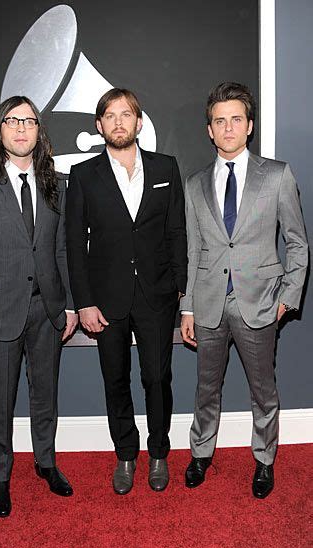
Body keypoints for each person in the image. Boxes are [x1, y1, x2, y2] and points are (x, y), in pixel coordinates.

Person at [0, 96, 78, 517]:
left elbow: (62, 250)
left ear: (40, 132)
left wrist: (71, 306)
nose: (22, 128)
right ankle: (0, 477)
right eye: (13, 120)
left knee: (46, 397)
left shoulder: (57, 183)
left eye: (30, 121)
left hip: (48, 312)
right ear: (0, 129)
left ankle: (46, 463)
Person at [180, 82, 308, 499]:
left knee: (263, 391)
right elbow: (193, 250)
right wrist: (188, 309)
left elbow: (297, 241)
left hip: (260, 303)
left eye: (236, 119)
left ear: (249, 126)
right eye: (220, 121)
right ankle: (200, 453)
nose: (228, 127)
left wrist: (288, 296)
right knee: (205, 389)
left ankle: (265, 461)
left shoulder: (276, 175)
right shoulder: (194, 184)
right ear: (210, 131)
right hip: (210, 303)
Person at [66, 88, 187, 494]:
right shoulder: (83, 175)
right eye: (110, 115)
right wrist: (83, 301)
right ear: (99, 125)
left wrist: (181, 293)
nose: (119, 121)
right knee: (115, 380)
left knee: (157, 378)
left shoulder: (166, 168)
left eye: (127, 114)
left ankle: (158, 453)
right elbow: (73, 245)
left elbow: (176, 235)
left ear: (138, 121)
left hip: (157, 297)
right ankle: (125, 455)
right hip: (106, 300)